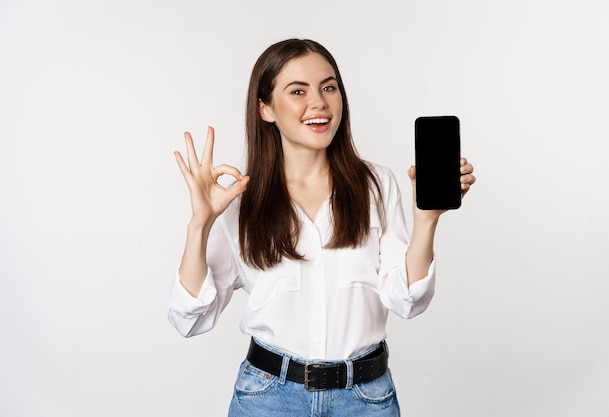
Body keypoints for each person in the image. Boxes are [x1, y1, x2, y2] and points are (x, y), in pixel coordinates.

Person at [169, 38, 475, 417]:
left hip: (365, 399)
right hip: (268, 399)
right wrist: (200, 223)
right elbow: (190, 318)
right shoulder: (241, 202)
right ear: (265, 108)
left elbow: (406, 300)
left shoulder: (376, 185)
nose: (319, 103)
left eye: (328, 87)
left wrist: (427, 220)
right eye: (298, 91)